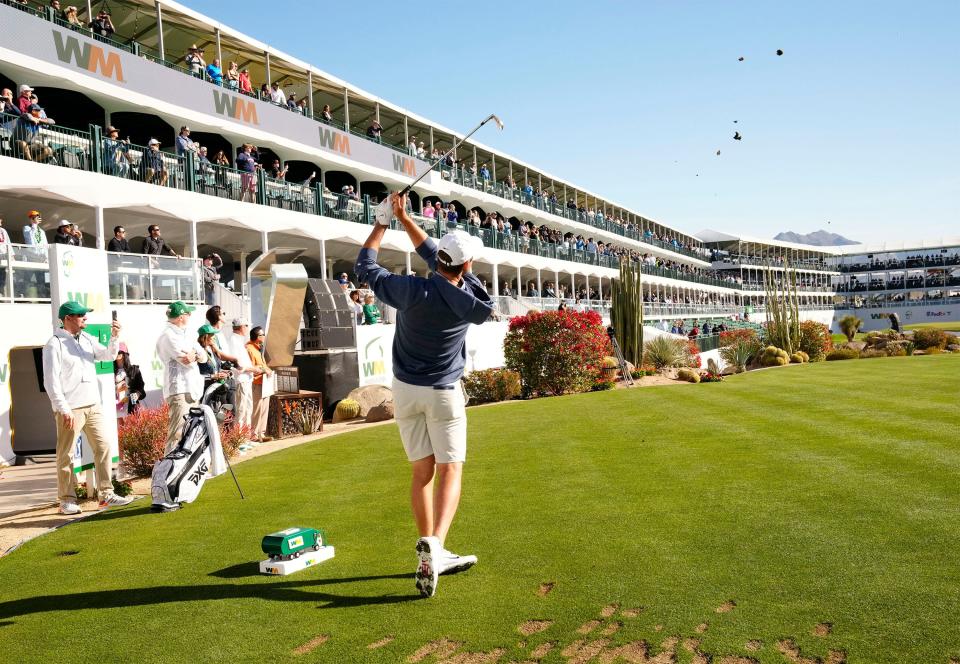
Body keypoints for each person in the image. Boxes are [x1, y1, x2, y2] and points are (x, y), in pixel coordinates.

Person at [354, 192, 495, 598]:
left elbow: (365, 266)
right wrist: (403, 217)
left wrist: (385, 220)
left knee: (422, 472)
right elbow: (439, 260)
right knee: (451, 470)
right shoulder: (472, 299)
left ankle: (428, 550)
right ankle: (436, 546)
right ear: (467, 266)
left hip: (405, 391)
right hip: (444, 394)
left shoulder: (409, 290)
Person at [42, 300, 133, 514]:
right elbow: (51, 381)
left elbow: (109, 356)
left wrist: (114, 337)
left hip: (93, 404)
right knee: (66, 455)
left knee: (103, 447)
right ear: (68, 319)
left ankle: (106, 495)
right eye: (81, 315)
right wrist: (63, 408)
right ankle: (66, 500)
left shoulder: (86, 338)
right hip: (70, 409)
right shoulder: (54, 344)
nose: (86, 317)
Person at [156, 301, 207, 454]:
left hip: (192, 388)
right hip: (179, 390)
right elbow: (185, 360)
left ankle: (183, 469)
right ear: (180, 317)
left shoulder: (188, 333)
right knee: (177, 434)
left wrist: (195, 354)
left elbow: (203, 357)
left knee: (191, 434)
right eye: (188, 314)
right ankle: (168, 473)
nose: (190, 316)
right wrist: (195, 355)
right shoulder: (168, 336)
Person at [226, 318, 255, 436]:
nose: (248, 328)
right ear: (242, 327)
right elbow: (238, 365)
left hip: (246, 379)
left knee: (247, 409)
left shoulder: (238, 340)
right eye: (247, 326)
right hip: (241, 380)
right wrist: (254, 369)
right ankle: (239, 439)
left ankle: (245, 437)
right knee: (241, 410)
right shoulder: (233, 340)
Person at [246, 326, 273, 442]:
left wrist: (268, 370)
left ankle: (261, 434)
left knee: (264, 409)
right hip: (256, 383)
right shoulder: (249, 349)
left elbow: (263, 365)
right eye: (262, 335)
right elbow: (251, 368)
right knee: (256, 410)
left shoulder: (259, 349)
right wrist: (264, 370)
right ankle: (254, 435)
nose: (264, 336)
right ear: (257, 337)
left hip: (264, 383)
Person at [114, 342, 145, 416]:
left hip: (130, 405)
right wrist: (116, 388)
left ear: (125, 354)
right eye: (114, 351)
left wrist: (137, 394)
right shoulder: (109, 372)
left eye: (119, 352)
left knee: (132, 425)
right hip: (115, 405)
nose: (117, 354)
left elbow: (140, 386)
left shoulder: (134, 370)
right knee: (120, 425)